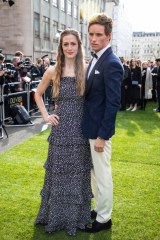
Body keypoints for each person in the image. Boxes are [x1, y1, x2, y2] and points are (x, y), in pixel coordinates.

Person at [34, 28, 92, 236]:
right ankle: (55, 216)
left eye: (73, 44)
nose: (69, 48)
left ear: (78, 46)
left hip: (81, 131)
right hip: (60, 131)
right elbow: (38, 94)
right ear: (61, 47)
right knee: (58, 175)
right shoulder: (52, 70)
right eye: (65, 44)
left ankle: (77, 217)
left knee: (77, 175)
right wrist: (46, 117)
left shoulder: (86, 69)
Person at [82, 13, 124, 233]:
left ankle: (104, 218)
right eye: (91, 34)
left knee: (103, 175)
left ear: (108, 36)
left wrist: (102, 135)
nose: (93, 38)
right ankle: (99, 208)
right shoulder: (96, 58)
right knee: (95, 174)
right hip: (90, 127)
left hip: (100, 132)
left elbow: (113, 103)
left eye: (98, 34)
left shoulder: (111, 63)